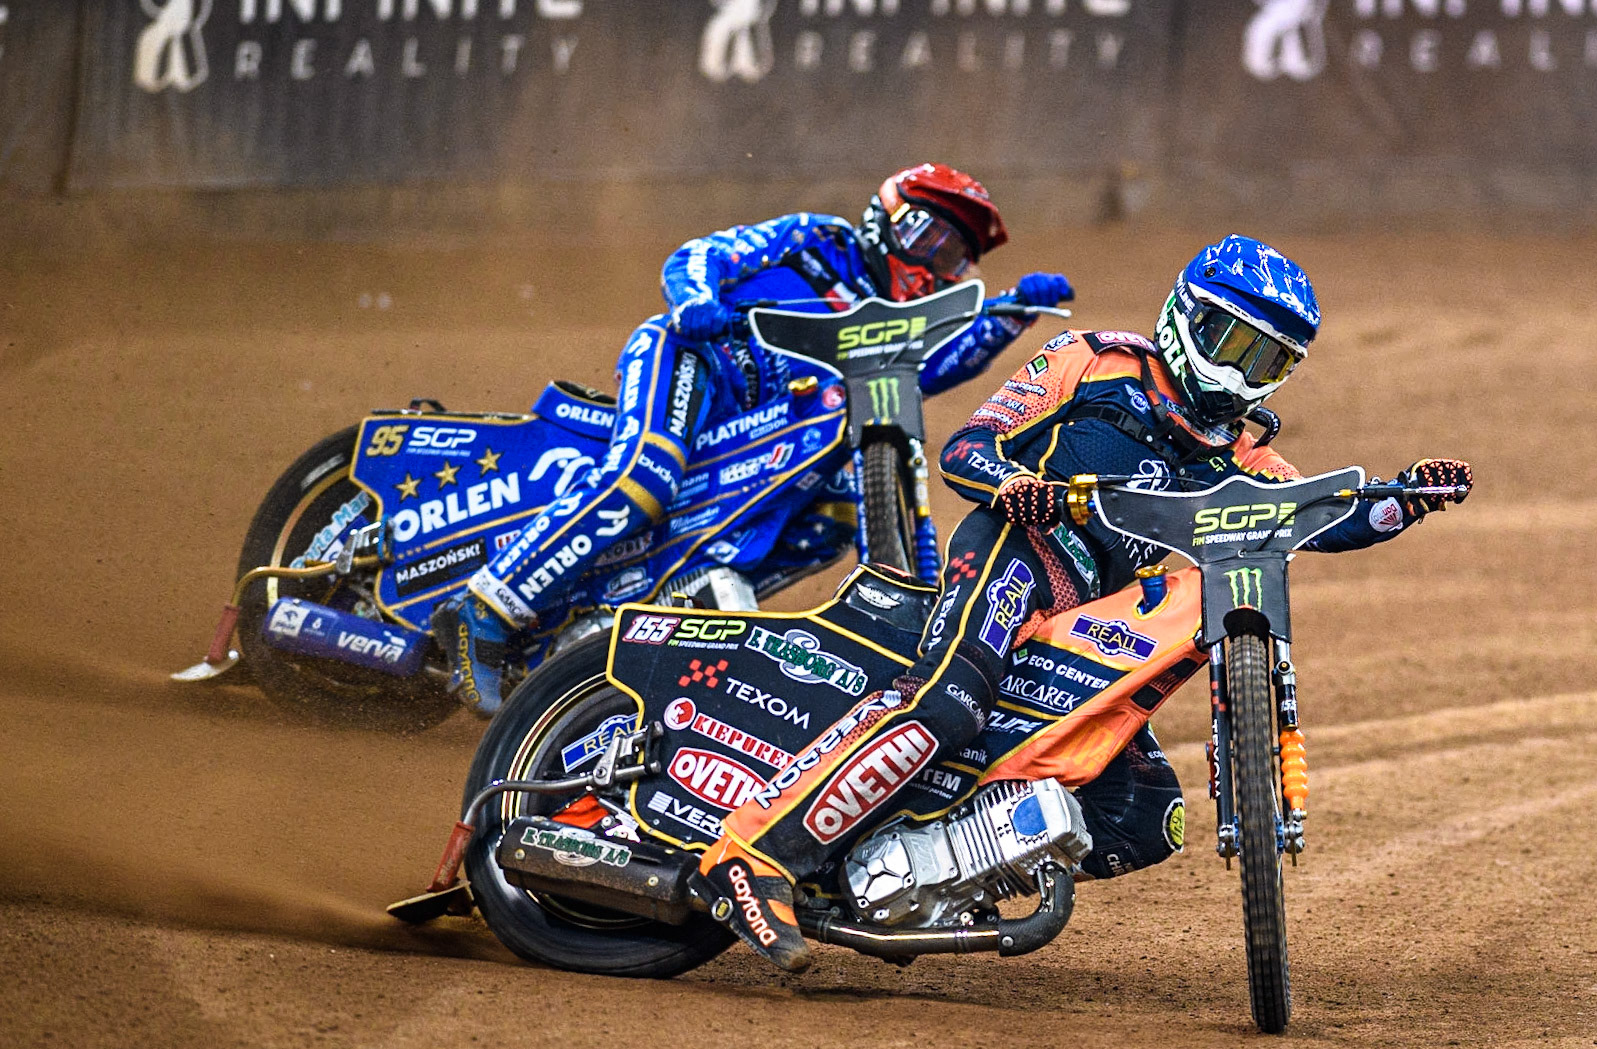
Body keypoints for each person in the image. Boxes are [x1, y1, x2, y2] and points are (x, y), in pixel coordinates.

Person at [693, 233, 1473, 970]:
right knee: (946, 703)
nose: (1238, 373)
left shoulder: (1239, 451)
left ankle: (932, 867)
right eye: (1229, 342)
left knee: (1148, 812)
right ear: (1184, 317)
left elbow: (1315, 516)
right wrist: (1017, 486)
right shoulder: (1090, 359)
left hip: (1086, 617)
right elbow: (967, 448)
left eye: (1263, 358)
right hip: (1015, 556)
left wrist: (1407, 498)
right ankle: (754, 854)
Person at [433, 164, 1075, 716]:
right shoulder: (818, 239)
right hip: (694, 360)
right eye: (929, 237)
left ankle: (666, 613)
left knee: (832, 519)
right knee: (648, 477)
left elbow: (926, 371)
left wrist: (1006, 317)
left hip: (768, 433)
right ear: (888, 219)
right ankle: (488, 606)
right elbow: (701, 256)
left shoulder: (890, 323)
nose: (936, 262)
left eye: (953, 257)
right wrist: (694, 304)